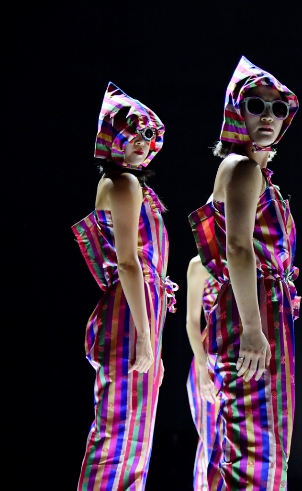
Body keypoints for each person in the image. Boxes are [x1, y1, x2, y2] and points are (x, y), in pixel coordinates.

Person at [188, 56, 300, 491]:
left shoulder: (252, 172)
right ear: (236, 111)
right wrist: (253, 327)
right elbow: (236, 248)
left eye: (277, 108)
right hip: (250, 313)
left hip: (263, 309)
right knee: (256, 445)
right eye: (256, 105)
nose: (268, 116)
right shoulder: (243, 168)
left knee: (260, 440)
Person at [72, 82, 177, 491]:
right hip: (129, 316)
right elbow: (129, 262)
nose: (142, 140)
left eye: (149, 133)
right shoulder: (123, 184)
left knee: (132, 436)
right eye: (132, 130)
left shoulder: (130, 185)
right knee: (120, 436)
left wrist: (153, 341)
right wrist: (146, 339)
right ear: (112, 133)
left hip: (137, 313)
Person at [185, 255, 221, 490]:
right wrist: (202, 368)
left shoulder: (246, 254)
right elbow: (191, 321)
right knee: (211, 440)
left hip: (237, 354)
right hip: (208, 359)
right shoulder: (199, 265)